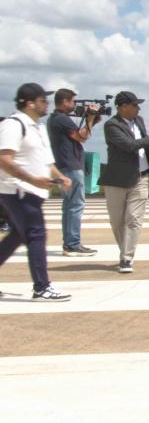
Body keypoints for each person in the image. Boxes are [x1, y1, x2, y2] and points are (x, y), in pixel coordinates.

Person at [0, 83, 73, 301]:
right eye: (43, 100)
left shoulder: (38, 126)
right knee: (36, 234)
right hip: (17, 191)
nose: (47, 104)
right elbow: (4, 159)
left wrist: (59, 176)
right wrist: (32, 179)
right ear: (30, 103)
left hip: (32, 191)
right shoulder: (13, 125)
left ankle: (41, 286)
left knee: (17, 236)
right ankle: (42, 287)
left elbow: (45, 160)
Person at [98, 91, 149, 274]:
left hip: (140, 177)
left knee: (134, 219)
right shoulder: (111, 125)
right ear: (122, 107)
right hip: (117, 179)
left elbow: (145, 146)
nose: (138, 108)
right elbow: (129, 145)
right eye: (135, 105)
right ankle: (124, 250)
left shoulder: (140, 121)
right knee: (117, 221)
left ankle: (126, 258)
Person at [47, 88, 101, 257]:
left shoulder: (54, 119)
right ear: (64, 102)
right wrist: (90, 118)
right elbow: (82, 136)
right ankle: (73, 244)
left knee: (69, 206)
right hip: (71, 166)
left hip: (64, 165)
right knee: (76, 206)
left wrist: (92, 119)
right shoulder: (63, 119)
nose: (74, 105)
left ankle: (70, 243)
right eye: (72, 102)